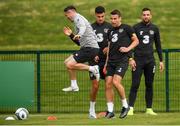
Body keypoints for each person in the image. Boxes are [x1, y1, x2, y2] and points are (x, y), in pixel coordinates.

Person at [62, 5, 100, 118]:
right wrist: (72, 35)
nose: (67, 17)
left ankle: (93, 68)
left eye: (67, 15)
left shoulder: (78, 18)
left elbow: (83, 28)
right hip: (86, 48)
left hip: (90, 48)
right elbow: (79, 40)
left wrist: (80, 34)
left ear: (71, 12)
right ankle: (74, 85)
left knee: (70, 64)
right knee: (67, 63)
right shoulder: (76, 20)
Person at [128, 7, 164, 116]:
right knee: (135, 84)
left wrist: (161, 61)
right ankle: (130, 108)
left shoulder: (155, 28)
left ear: (151, 16)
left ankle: (149, 109)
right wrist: (131, 58)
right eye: (144, 14)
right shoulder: (135, 28)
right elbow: (129, 45)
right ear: (141, 16)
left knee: (149, 85)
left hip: (150, 61)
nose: (146, 16)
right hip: (138, 61)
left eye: (148, 14)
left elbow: (158, 45)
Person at [104, 9, 139, 118]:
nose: (113, 21)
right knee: (108, 84)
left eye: (115, 18)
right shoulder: (110, 30)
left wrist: (128, 48)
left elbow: (136, 41)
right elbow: (109, 47)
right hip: (111, 61)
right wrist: (106, 63)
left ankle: (125, 106)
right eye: (111, 19)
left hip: (122, 60)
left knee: (115, 82)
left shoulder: (127, 28)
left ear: (120, 18)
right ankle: (110, 111)